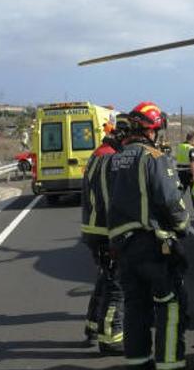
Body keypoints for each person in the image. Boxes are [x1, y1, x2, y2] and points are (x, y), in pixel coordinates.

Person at [108, 102, 190, 370]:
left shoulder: (115, 159)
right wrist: (183, 226)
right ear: (151, 129)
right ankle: (169, 364)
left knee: (135, 309)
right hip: (151, 246)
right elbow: (169, 200)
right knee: (170, 305)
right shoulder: (153, 157)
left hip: (123, 247)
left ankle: (138, 364)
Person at [81, 124, 125, 354]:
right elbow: (111, 201)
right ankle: (111, 339)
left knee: (104, 279)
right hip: (104, 231)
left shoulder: (99, 154)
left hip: (93, 229)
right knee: (116, 286)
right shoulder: (110, 159)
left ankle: (92, 325)